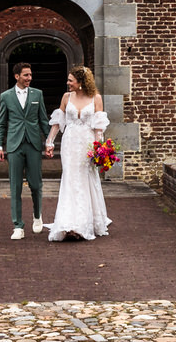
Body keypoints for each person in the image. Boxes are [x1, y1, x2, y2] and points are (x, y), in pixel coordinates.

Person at [44, 64, 111, 241]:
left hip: (87, 145)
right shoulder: (67, 97)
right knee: (70, 179)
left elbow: (98, 128)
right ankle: (68, 222)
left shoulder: (96, 98)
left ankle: (84, 222)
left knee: (86, 179)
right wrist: (49, 142)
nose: (68, 83)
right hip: (70, 143)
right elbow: (58, 122)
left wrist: (100, 149)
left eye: (70, 80)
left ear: (81, 82)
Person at [0, 61, 53, 240]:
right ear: (17, 76)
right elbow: (2, 123)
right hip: (14, 145)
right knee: (15, 186)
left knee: (36, 185)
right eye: (26, 75)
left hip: (33, 144)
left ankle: (37, 217)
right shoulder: (6, 96)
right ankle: (18, 226)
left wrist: (49, 142)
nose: (30, 78)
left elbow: (43, 120)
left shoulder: (38, 94)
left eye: (30, 75)